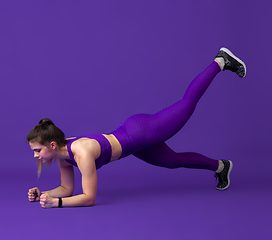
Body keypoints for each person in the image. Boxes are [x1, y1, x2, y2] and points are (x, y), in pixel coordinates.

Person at [26, 47, 246, 208]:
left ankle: (220, 61)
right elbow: (67, 190)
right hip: (134, 145)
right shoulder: (62, 156)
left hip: (140, 132)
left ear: (52, 144)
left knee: (186, 104)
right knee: (173, 161)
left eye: (37, 150)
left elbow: (89, 198)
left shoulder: (80, 152)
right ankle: (221, 167)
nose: (36, 156)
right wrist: (44, 195)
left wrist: (58, 204)